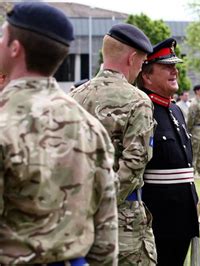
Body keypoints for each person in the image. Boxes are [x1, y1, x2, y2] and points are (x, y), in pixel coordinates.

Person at [0, 2, 118, 264]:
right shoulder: (89, 127)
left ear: (15, 48)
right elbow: (106, 230)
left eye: (2, 36)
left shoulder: (4, 123)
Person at [70, 23, 157, 264]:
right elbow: (135, 163)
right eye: (141, 63)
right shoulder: (138, 100)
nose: (140, 70)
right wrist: (101, 205)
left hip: (76, 218)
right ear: (132, 58)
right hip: (122, 222)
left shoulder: (73, 97)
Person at [136, 38, 200, 266]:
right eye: (167, 67)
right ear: (147, 75)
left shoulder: (175, 109)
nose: (174, 72)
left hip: (183, 217)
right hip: (158, 219)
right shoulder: (142, 110)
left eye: (175, 66)